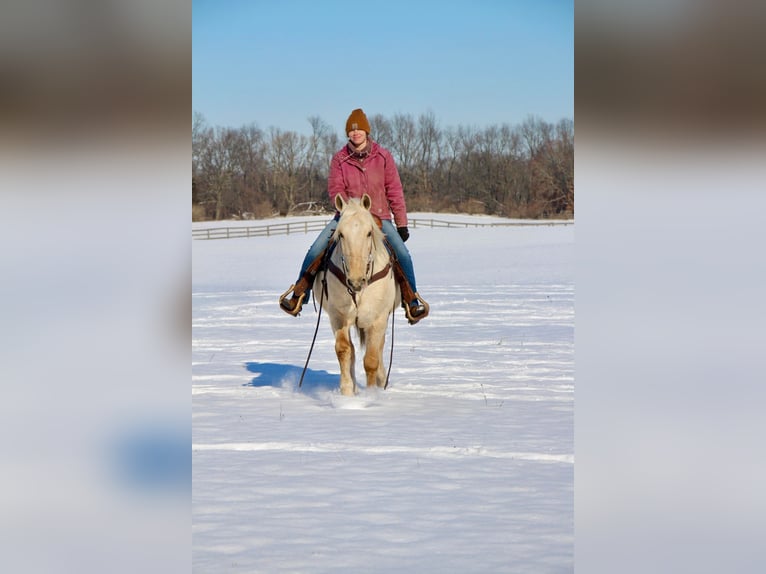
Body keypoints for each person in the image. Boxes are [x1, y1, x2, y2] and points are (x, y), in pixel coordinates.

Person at [279, 108, 429, 324]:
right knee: (316, 250)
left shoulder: (383, 157)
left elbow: (394, 190)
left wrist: (402, 223)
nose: (355, 133)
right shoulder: (340, 159)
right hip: (346, 217)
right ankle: (299, 296)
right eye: (351, 130)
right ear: (348, 133)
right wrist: (348, 208)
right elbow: (335, 188)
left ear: (367, 132)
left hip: (378, 218)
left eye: (359, 130)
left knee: (402, 254)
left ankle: (412, 301)